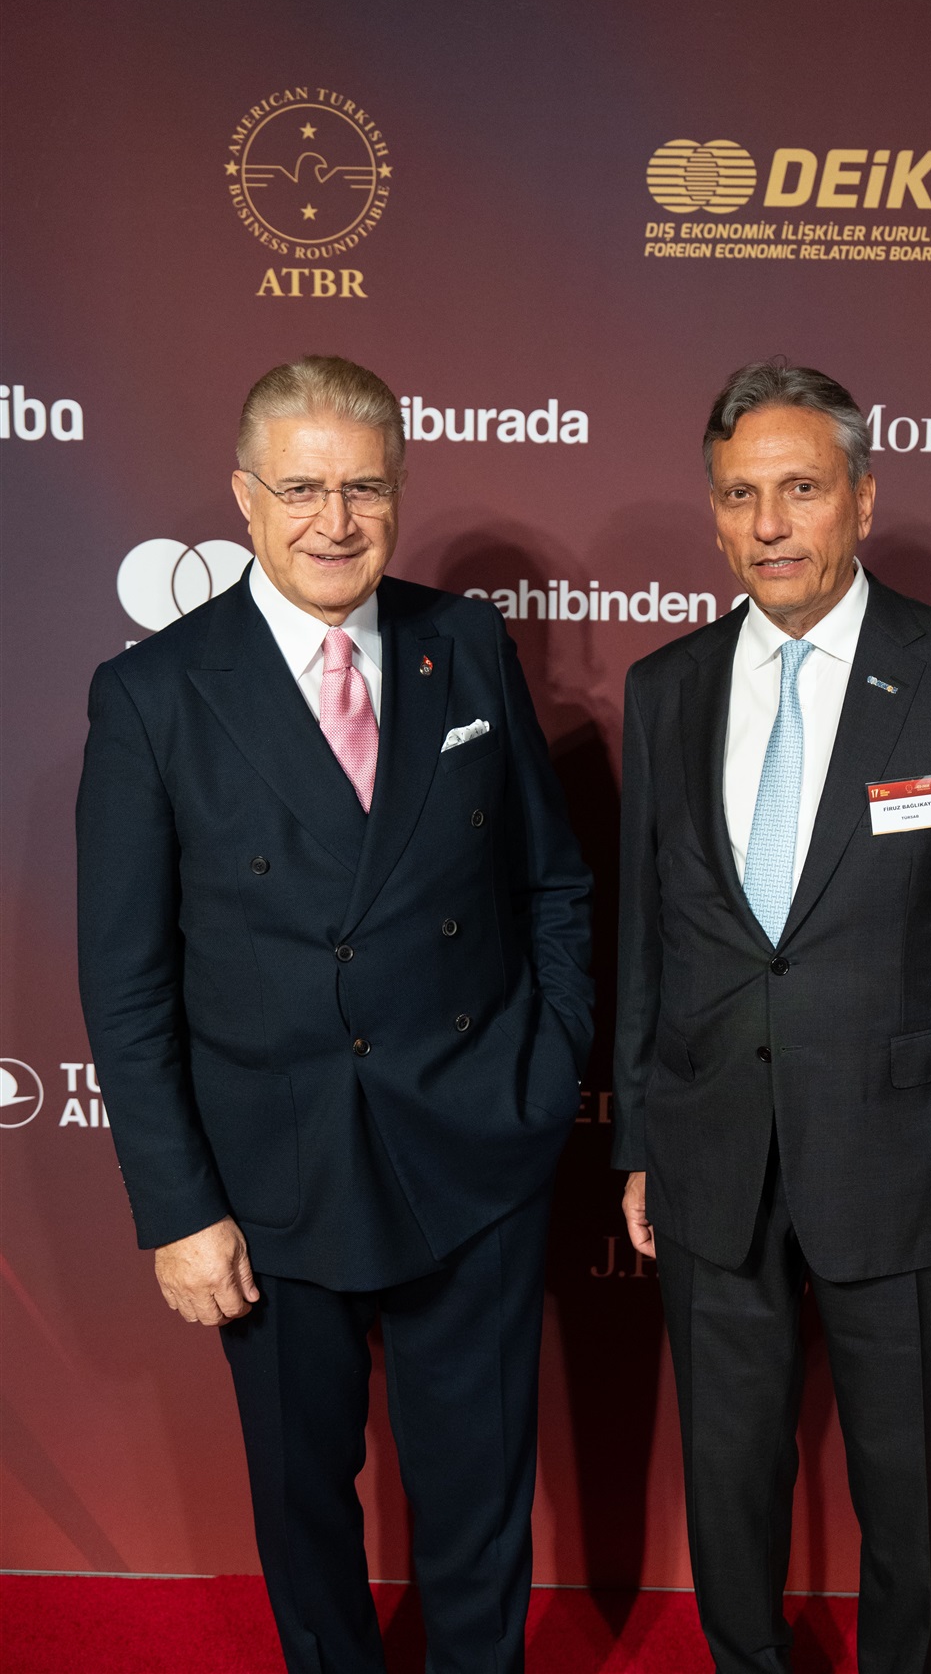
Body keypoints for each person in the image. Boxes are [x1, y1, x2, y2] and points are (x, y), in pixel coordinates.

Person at [76, 355, 592, 1674]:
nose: (335, 521)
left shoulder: (464, 643)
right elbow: (126, 983)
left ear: (400, 492)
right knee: (304, 1508)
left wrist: (547, 1072)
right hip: (272, 1175)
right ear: (244, 497)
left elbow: (548, 880)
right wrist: (178, 1209)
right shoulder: (154, 694)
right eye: (302, 489)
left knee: (480, 1497)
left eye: (365, 487)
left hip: (473, 1151)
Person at [613, 360, 931, 1674]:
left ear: (862, 500)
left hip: (906, 1161)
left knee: (903, 1493)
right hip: (710, 1156)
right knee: (728, 1481)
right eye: (739, 496)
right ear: (714, 514)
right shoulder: (664, 687)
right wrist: (640, 1138)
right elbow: (648, 936)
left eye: (801, 489)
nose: (770, 525)